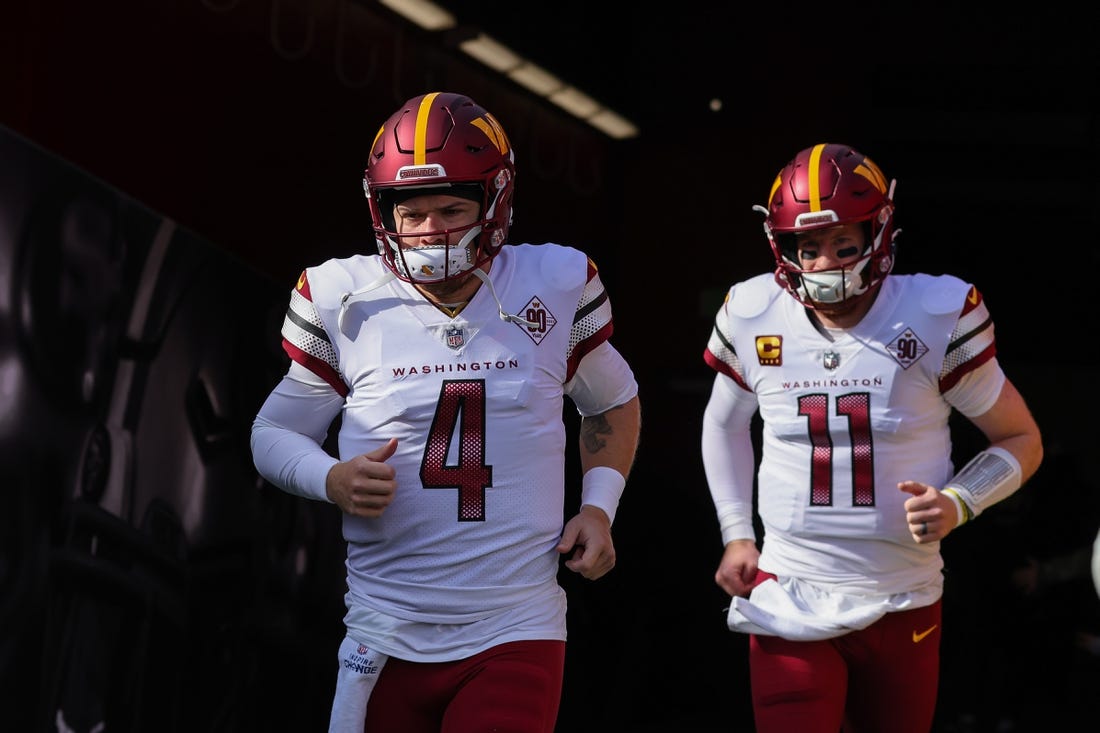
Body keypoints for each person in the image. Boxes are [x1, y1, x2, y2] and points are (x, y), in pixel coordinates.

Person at [250, 91, 641, 733]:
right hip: (383, 626)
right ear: (384, 213)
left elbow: (613, 403)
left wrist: (599, 507)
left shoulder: (551, 282)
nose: (431, 229)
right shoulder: (346, 298)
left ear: (496, 202)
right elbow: (273, 432)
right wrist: (329, 479)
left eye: (452, 208)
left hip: (515, 623)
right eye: (414, 212)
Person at [699, 142, 1043, 733]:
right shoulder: (754, 311)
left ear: (879, 234)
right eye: (808, 248)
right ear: (783, 248)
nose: (826, 263)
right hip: (791, 591)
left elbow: (1019, 439)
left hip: (901, 594)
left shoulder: (935, 313)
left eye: (843, 244)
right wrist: (736, 533)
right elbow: (724, 423)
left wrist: (960, 502)